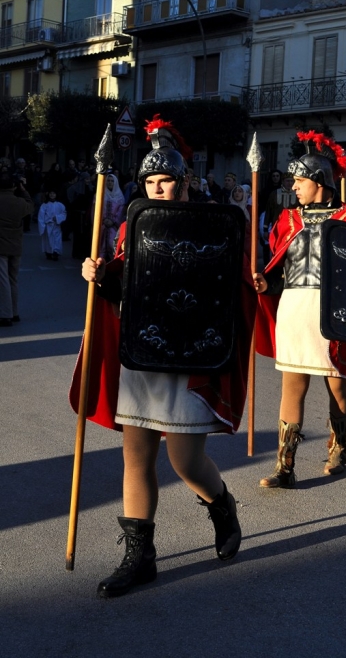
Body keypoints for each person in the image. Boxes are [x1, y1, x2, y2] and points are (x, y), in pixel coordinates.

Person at [71, 114, 256, 598]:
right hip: (142, 351)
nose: (157, 188)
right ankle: (139, 557)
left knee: (184, 461)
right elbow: (127, 281)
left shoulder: (217, 222)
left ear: (185, 180)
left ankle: (221, 506)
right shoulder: (137, 222)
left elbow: (229, 289)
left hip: (190, 358)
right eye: (150, 180)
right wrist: (102, 273)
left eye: (166, 180)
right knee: (136, 458)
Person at [253, 131, 346, 488]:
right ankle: (284, 467)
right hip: (294, 308)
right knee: (293, 388)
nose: (295, 186)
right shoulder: (287, 220)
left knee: (336, 387)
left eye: (300, 180)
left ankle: (339, 447)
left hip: (334, 311)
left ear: (319, 181)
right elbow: (279, 268)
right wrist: (265, 284)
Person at [0, 174, 34, 326]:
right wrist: (23, 190)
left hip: (1, 246)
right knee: (13, 279)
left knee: (3, 280)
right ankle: (15, 312)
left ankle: (5, 314)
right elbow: (30, 205)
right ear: (14, 186)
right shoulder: (20, 202)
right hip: (16, 245)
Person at [93, 172, 126, 262]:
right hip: (102, 226)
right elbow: (96, 210)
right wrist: (103, 220)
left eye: (112, 181)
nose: (110, 182)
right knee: (100, 246)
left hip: (114, 227)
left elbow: (121, 212)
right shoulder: (99, 194)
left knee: (113, 246)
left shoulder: (120, 197)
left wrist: (113, 221)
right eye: (108, 181)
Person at [38, 189, 67, 260]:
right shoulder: (45, 205)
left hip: (56, 225)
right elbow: (41, 216)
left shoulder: (60, 205)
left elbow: (64, 213)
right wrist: (42, 226)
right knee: (48, 240)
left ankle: (56, 252)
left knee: (57, 239)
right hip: (48, 225)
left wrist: (57, 218)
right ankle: (48, 252)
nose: (52, 195)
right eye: (51, 193)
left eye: (54, 193)